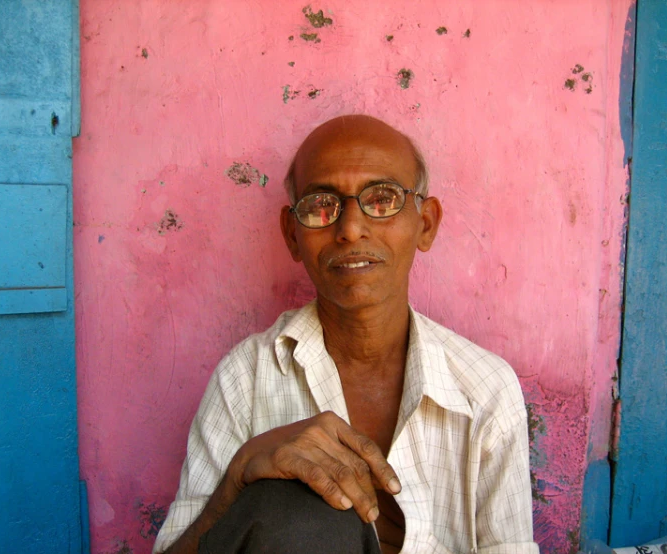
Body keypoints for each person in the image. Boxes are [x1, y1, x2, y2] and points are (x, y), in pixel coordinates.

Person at [153, 115, 538, 554]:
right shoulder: (246, 378)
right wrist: (239, 476)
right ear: (292, 235)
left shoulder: (485, 390)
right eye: (321, 204)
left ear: (425, 224)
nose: (351, 229)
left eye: (383, 198)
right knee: (291, 510)